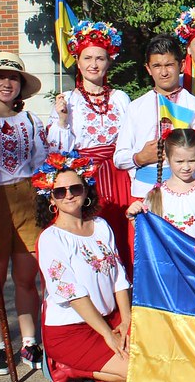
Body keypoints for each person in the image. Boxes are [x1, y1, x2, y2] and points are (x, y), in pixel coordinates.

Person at [0, 52, 50, 376]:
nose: (6, 83)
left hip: (26, 197)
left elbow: (42, 162)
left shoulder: (31, 122)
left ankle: (29, 342)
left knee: (26, 277)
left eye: (13, 78)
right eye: (0, 77)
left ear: (21, 86)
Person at [33, 152, 129, 382]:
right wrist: (108, 335)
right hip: (71, 330)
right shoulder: (51, 238)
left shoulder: (101, 226)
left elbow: (119, 276)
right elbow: (72, 293)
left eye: (75, 188)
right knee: (137, 371)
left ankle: (106, 375)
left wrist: (127, 320)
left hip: (111, 319)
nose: (68, 195)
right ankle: (66, 367)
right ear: (51, 199)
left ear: (86, 191)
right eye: (59, 191)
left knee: (157, 356)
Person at [47, 21, 134, 273]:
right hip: (88, 178)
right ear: (78, 60)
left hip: (120, 177)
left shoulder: (120, 98)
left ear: (109, 62)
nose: (93, 64)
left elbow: (130, 139)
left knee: (123, 236)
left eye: (100, 58)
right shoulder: (69, 100)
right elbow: (57, 152)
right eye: (87, 58)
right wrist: (62, 119)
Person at [113, 35, 195, 201]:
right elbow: (119, 157)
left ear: (181, 65)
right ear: (148, 69)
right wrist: (140, 157)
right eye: (157, 66)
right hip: (145, 193)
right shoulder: (136, 107)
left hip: (185, 193)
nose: (164, 72)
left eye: (169, 65)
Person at [127, 127, 195, 239]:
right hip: (168, 256)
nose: (186, 167)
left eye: (192, 161)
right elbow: (148, 236)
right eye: (179, 161)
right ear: (167, 158)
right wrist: (133, 217)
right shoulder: (156, 195)